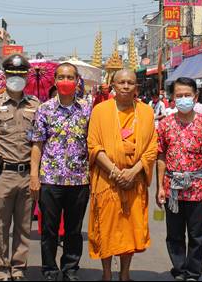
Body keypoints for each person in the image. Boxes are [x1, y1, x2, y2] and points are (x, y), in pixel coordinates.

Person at [87, 69, 158, 281]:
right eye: (121, 82)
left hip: (134, 180)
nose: (126, 86)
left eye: (130, 82)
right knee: (106, 229)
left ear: (136, 87)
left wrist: (133, 172)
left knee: (129, 230)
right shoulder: (100, 111)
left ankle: (124, 274)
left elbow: (151, 148)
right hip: (107, 179)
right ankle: (106, 274)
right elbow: (93, 145)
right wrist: (116, 172)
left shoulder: (146, 112)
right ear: (113, 85)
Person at [0, 54, 41, 281]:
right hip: (2, 174)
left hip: (27, 175)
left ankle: (18, 268)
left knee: (24, 227)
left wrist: (37, 175)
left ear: (26, 77)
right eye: (13, 73)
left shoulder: (36, 105)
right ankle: (0, 269)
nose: (17, 77)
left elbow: (39, 142)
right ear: (5, 75)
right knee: (1, 227)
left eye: (21, 74)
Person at [156, 77, 202, 281]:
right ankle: (179, 269)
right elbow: (160, 156)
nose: (183, 98)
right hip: (172, 188)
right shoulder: (165, 125)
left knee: (197, 235)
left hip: (198, 188)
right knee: (174, 234)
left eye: (187, 95)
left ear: (196, 96)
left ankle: (193, 273)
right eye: (179, 95)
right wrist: (159, 187)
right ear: (172, 98)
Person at [30, 63, 92, 281]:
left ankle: (70, 269)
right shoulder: (44, 109)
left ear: (77, 81)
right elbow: (37, 144)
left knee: (74, 230)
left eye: (70, 77)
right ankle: (49, 268)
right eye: (62, 77)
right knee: (49, 229)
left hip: (79, 179)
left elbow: (93, 141)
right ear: (55, 80)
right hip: (50, 178)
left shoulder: (87, 108)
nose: (66, 81)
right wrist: (34, 176)